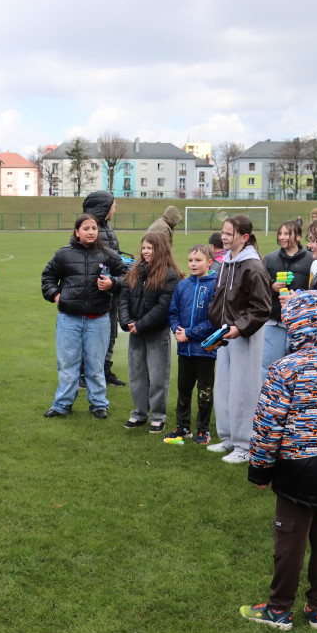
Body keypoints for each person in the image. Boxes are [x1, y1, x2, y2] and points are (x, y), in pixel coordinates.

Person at [239, 290, 317, 631]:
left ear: (296, 324)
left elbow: (268, 424)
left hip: (297, 469)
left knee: (290, 538)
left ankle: (279, 609)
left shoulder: (286, 368)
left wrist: (259, 469)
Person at [41, 214, 128, 419]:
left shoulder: (108, 254)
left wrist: (112, 283)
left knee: (96, 365)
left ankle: (98, 404)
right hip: (68, 319)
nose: (91, 232)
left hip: (98, 319)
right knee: (68, 365)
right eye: (86, 228)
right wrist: (55, 294)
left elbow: (127, 276)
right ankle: (62, 405)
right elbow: (48, 276)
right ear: (76, 232)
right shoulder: (63, 254)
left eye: (94, 228)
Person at [205, 215, 271, 464]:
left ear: (243, 237)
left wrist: (240, 328)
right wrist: (218, 325)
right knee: (224, 386)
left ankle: (245, 444)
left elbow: (262, 308)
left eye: (229, 233)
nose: (223, 237)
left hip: (245, 335)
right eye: (222, 232)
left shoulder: (252, 266)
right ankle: (229, 438)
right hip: (225, 334)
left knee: (243, 388)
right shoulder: (227, 262)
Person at [117, 231, 181, 432]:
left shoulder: (170, 275)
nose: (145, 251)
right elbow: (124, 297)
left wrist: (141, 324)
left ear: (160, 249)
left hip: (155, 332)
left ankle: (158, 416)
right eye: (144, 247)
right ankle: (140, 413)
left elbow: (163, 308)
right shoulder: (135, 271)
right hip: (136, 331)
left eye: (150, 248)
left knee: (157, 375)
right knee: (136, 375)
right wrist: (127, 321)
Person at [167, 243, 218, 444]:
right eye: (190, 260)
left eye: (198, 260)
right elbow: (173, 313)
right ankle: (182, 427)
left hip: (205, 350)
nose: (193, 264)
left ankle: (203, 429)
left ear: (210, 262)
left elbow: (214, 319)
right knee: (183, 390)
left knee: (204, 392)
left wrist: (190, 333)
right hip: (184, 350)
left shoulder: (215, 285)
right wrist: (178, 331)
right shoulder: (182, 285)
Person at [81, 190, 126, 386]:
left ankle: (105, 369)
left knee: (110, 332)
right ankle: (85, 374)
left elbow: (112, 256)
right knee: (93, 334)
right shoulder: (90, 229)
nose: (115, 209)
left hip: (111, 289)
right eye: (113, 205)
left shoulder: (106, 227)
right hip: (98, 292)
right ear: (104, 208)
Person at [261, 219, 312, 379]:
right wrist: (271, 286)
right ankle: (267, 399)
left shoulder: (311, 260)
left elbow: (314, 290)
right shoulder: (270, 259)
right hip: (274, 320)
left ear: (298, 237)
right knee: (268, 364)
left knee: (296, 367)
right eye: (280, 233)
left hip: (299, 322)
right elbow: (258, 288)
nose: (282, 237)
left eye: (287, 234)